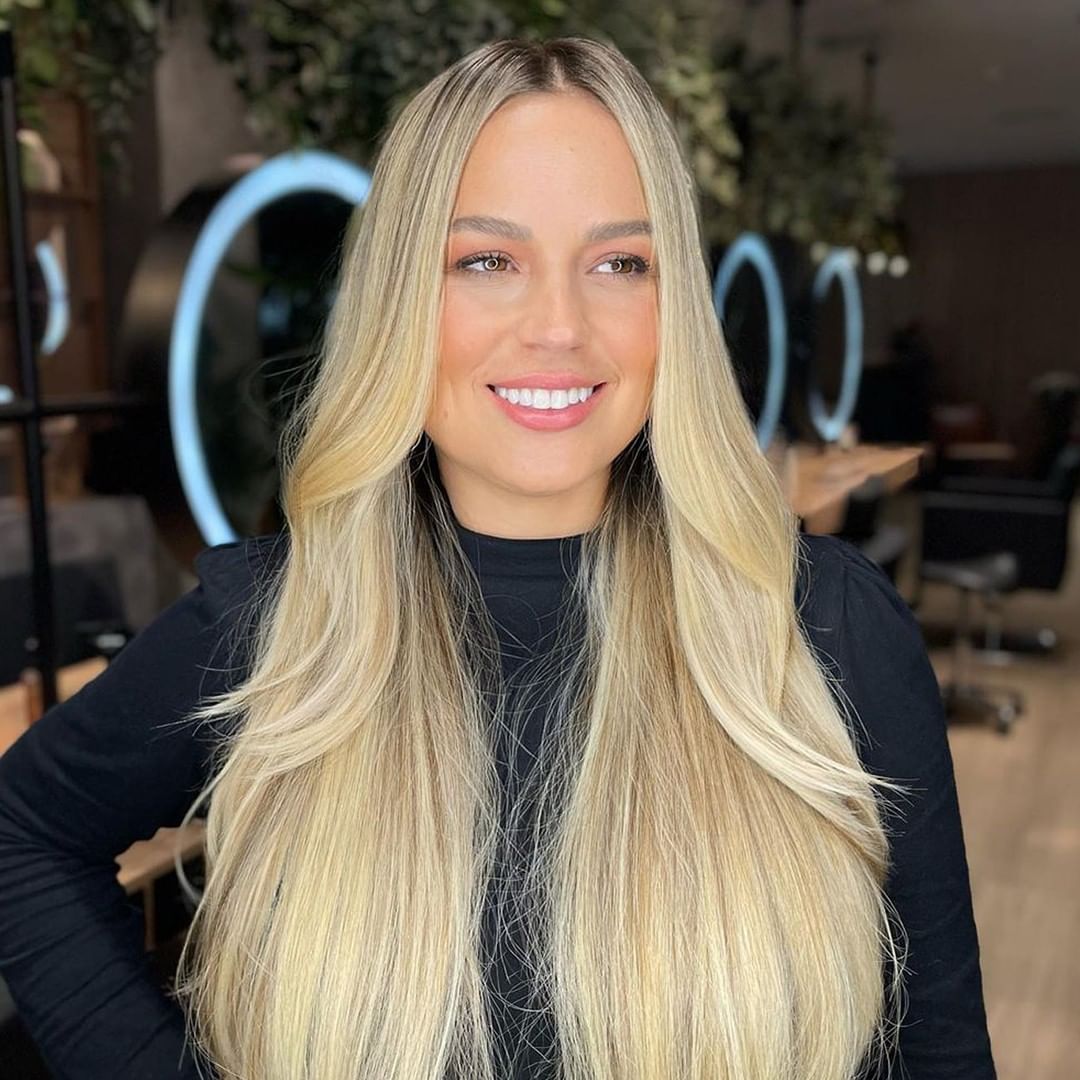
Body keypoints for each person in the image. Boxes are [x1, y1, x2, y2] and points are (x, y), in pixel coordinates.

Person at [0, 35, 996, 1080]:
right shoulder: (276, 620)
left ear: (674, 308)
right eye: (487, 261)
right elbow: (23, 833)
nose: (559, 326)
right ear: (401, 299)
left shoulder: (826, 629)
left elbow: (940, 1054)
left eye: (620, 263)